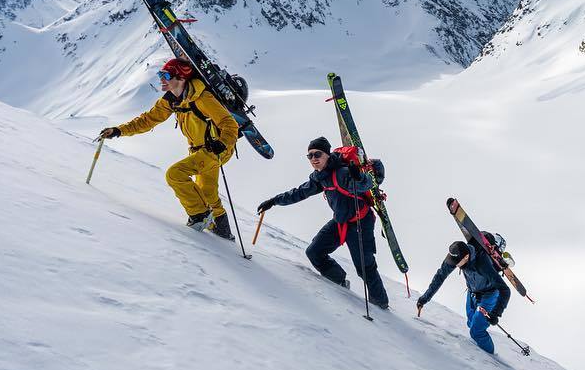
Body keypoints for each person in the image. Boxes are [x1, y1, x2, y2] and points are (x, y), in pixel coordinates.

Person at [100, 58, 239, 239]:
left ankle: (200, 216)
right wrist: (119, 130)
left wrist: (221, 143)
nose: (161, 79)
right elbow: (148, 120)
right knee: (206, 191)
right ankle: (222, 230)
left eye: (165, 75)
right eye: (160, 74)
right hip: (199, 150)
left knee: (175, 174)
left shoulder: (203, 98)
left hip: (217, 148)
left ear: (181, 78)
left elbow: (230, 124)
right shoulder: (171, 100)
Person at [256, 137, 390, 309]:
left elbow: (367, 184)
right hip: (340, 221)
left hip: (360, 222)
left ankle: (381, 304)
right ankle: (339, 282)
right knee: (314, 252)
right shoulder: (319, 177)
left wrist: (358, 178)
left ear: (327, 154)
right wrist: (274, 201)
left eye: (317, 154)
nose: (313, 159)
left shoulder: (341, 173)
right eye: (309, 156)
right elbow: (298, 193)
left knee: (365, 267)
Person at [416, 236, 511, 354]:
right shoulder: (454, 257)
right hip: (472, 292)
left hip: (490, 295)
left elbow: (505, 290)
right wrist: (424, 299)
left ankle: (492, 362)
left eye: (456, 263)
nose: (454, 265)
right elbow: (440, 277)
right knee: (471, 323)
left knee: (477, 331)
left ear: (466, 257)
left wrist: (496, 313)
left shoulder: (483, 264)